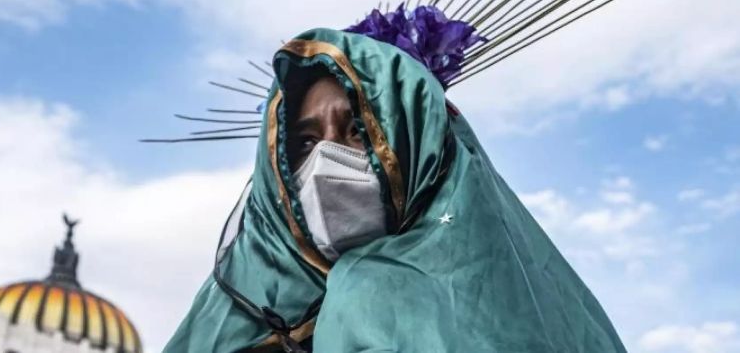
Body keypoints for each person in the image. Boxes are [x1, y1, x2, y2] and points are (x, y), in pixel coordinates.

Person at [163, 25, 625, 352]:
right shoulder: (235, 317)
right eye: (305, 141)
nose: (327, 160)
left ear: (415, 144)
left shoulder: (505, 296)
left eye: (358, 132)